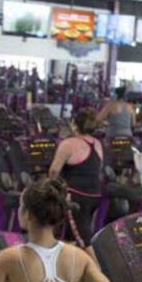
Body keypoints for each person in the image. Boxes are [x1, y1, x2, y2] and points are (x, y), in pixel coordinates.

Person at [49, 108, 103, 257]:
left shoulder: (68, 144)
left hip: (76, 197)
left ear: (74, 125)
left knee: (83, 240)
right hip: (95, 194)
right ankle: (72, 270)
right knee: (71, 236)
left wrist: (48, 187)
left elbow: (54, 171)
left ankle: (100, 273)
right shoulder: (97, 143)